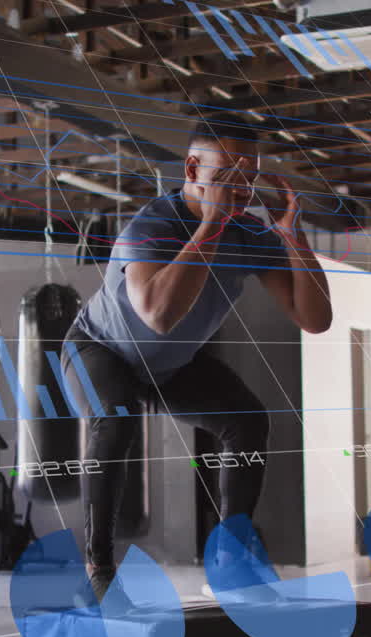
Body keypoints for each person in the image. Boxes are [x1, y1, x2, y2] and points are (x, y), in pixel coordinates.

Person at [61, 113, 333, 601]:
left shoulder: (249, 237)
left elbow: (314, 318)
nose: (240, 191)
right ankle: (98, 571)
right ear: (191, 169)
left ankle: (233, 561)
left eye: (248, 179)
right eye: (227, 177)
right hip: (100, 349)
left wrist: (293, 238)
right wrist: (209, 223)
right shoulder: (151, 226)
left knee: (249, 421)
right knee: (116, 421)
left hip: (168, 368)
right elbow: (158, 316)